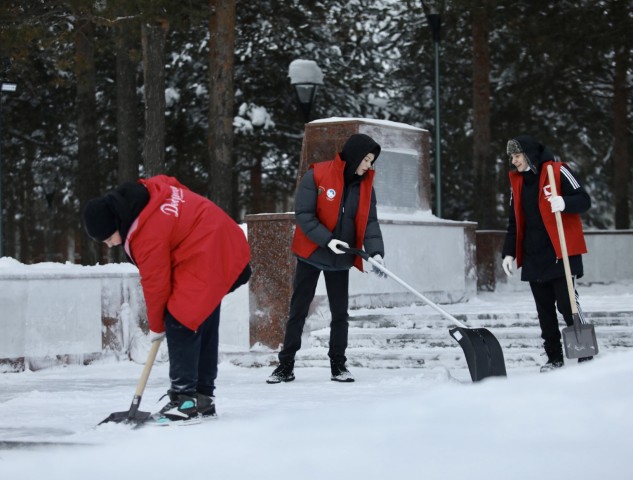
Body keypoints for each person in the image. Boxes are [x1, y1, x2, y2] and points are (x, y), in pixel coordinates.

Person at [83, 175, 251, 422]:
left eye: (108, 239)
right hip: (223, 241)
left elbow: (156, 284)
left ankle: (184, 401)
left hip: (210, 250)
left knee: (180, 319)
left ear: (118, 223)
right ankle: (202, 399)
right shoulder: (151, 192)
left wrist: (157, 326)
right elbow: (173, 183)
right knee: (201, 314)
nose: (109, 245)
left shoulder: (145, 233)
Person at [267, 133, 385, 384]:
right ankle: (285, 365)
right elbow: (304, 214)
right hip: (312, 252)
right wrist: (327, 239)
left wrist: (376, 253)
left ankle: (338, 366)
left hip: (341, 258)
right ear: (354, 156)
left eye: (371, 161)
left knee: (340, 314)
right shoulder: (317, 175)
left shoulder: (365, 185)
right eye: (365, 160)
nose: (368, 166)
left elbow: (370, 222)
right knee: (298, 310)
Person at [501, 135, 593, 372]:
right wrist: (508, 253)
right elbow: (514, 223)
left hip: (560, 254)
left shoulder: (558, 171)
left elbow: (584, 200)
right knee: (544, 312)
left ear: (529, 155)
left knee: (567, 304)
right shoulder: (518, 183)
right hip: (534, 256)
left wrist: (564, 202)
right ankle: (554, 358)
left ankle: (585, 353)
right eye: (512, 156)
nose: (513, 161)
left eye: (517, 155)